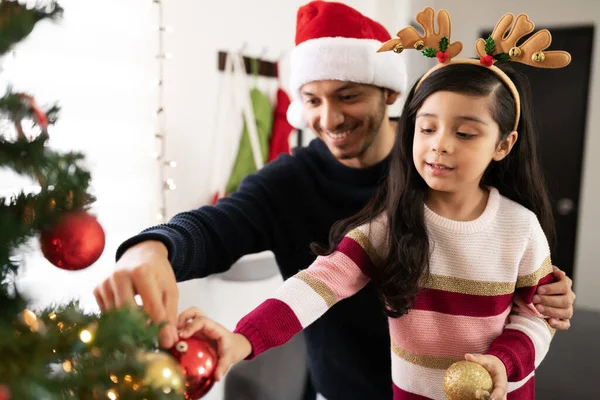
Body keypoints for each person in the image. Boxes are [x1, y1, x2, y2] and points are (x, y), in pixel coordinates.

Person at [94, 2, 576, 399]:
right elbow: (298, 273)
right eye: (311, 99)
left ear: (388, 94)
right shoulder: (349, 205)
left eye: (347, 95)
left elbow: (532, 308)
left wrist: (536, 313)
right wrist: (153, 248)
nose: (329, 118)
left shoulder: (501, 214)